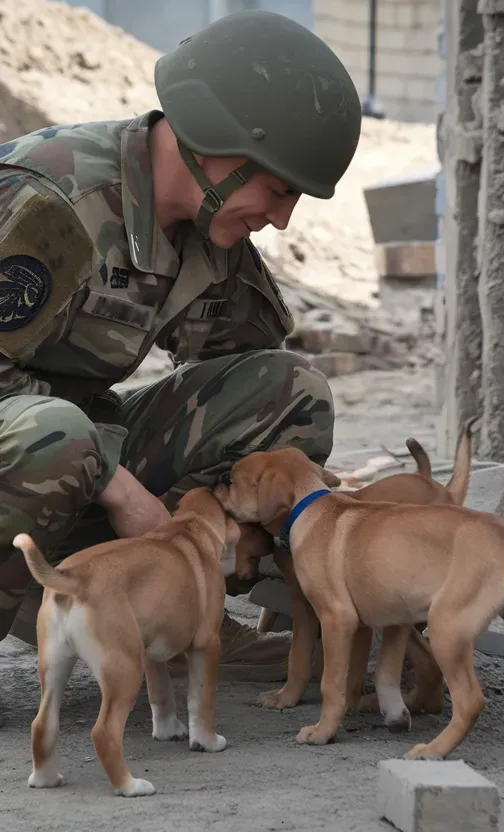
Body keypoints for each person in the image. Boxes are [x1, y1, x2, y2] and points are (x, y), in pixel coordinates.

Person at [0, 9, 362, 725]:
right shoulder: (52, 199)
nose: (282, 219)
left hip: (64, 449)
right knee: (60, 433)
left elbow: (248, 368)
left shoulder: (207, 226)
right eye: (280, 190)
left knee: (291, 398)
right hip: (36, 448)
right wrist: (117, 482)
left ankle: (165, 601)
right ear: (221, 150)